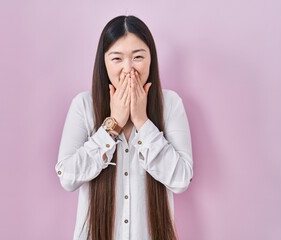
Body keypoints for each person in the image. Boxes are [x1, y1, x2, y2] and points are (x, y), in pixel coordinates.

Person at [55, 15, 193, 240]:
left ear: (151, 59)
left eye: (138, 57)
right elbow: (67, 177)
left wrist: (142, 121)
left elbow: (181, 179)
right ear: (104, 62)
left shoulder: (170, 104)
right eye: (117, 58)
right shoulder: (84, 105)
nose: (129, 69)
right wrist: (113, 125)